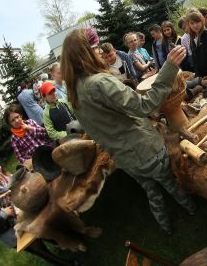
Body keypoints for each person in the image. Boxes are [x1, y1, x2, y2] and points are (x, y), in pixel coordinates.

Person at [60, 28, 195, 234]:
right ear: (86, 53)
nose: (100, 53)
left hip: (123, 158)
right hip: (145, 150)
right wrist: (168, 69)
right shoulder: (99, 82)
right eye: (96, 48)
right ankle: (192, 209)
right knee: (170, 182)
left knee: (151, 191)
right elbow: (145, 105)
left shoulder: (74, 92)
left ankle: (165, 227)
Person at [0, 136, 76, 265]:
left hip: (16, 215)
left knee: (44, 230)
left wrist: (4, 197)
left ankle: (68, 242)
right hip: (10, 232)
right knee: (40, 249)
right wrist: (3, 214)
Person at [186, 10, 207, 78]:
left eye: (197, 22)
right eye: (192, 23)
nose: (195, 25)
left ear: (202, 21)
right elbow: (194, 59)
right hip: (201, 76)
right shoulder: (192, 38)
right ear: (189, 25)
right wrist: (197, 75)